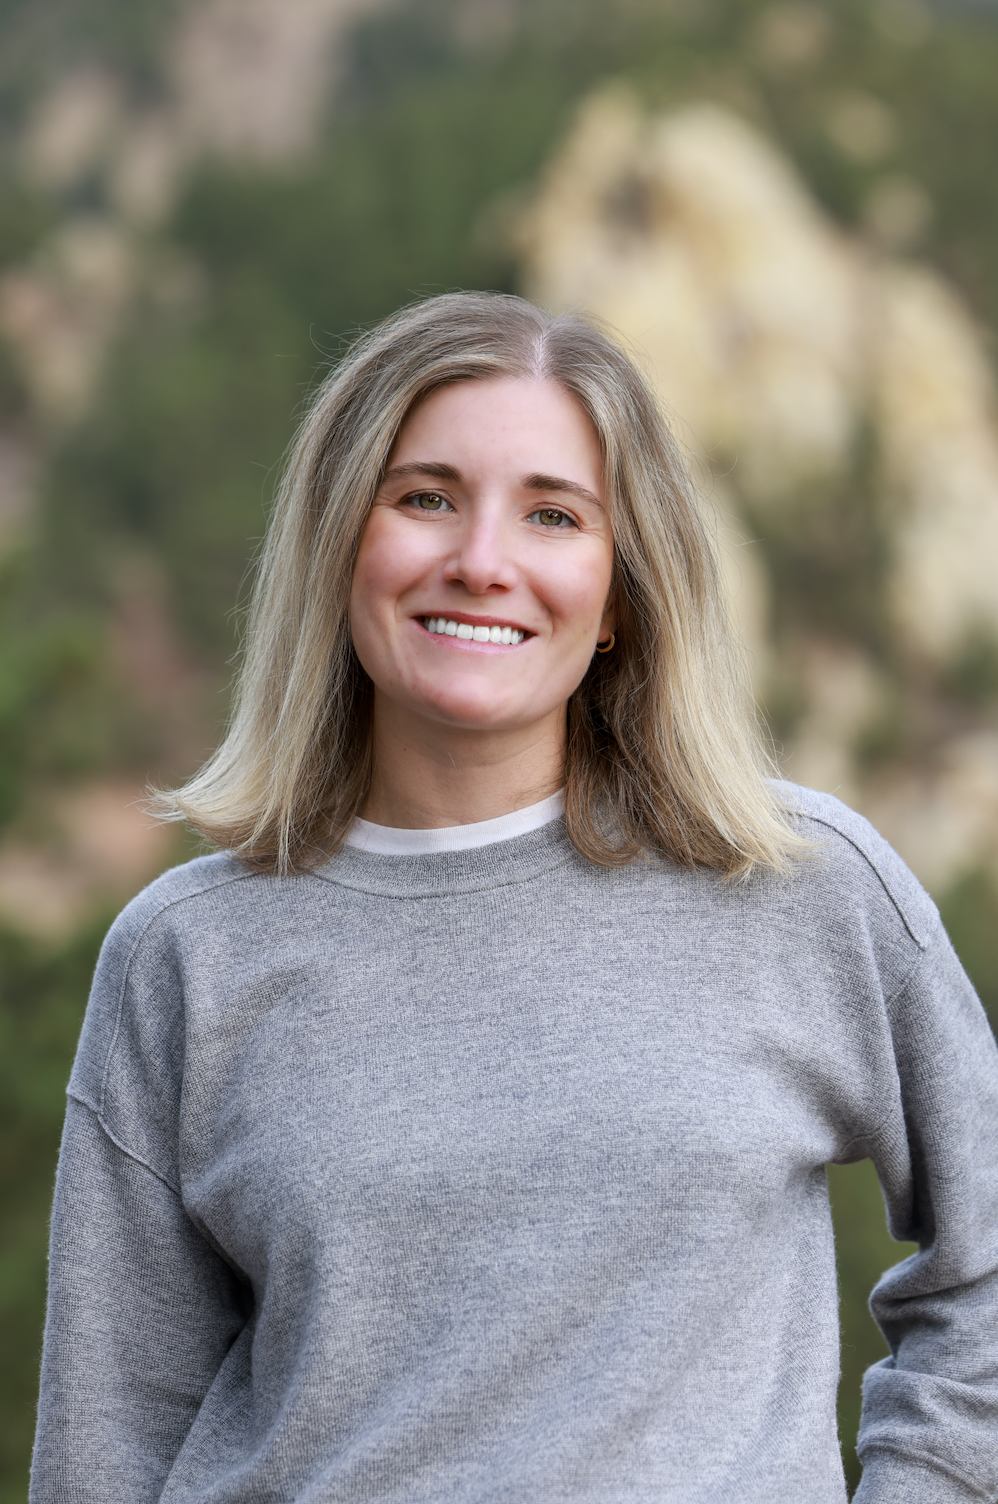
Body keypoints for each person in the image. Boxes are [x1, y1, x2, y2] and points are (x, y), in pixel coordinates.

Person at [31, 292, 998, 1503]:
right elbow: (106, 1443)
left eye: (552, 514)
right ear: (341, 545)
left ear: (619, 595)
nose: (480, 561)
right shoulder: (187, 954)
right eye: (425, 496)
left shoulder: (799, 885)